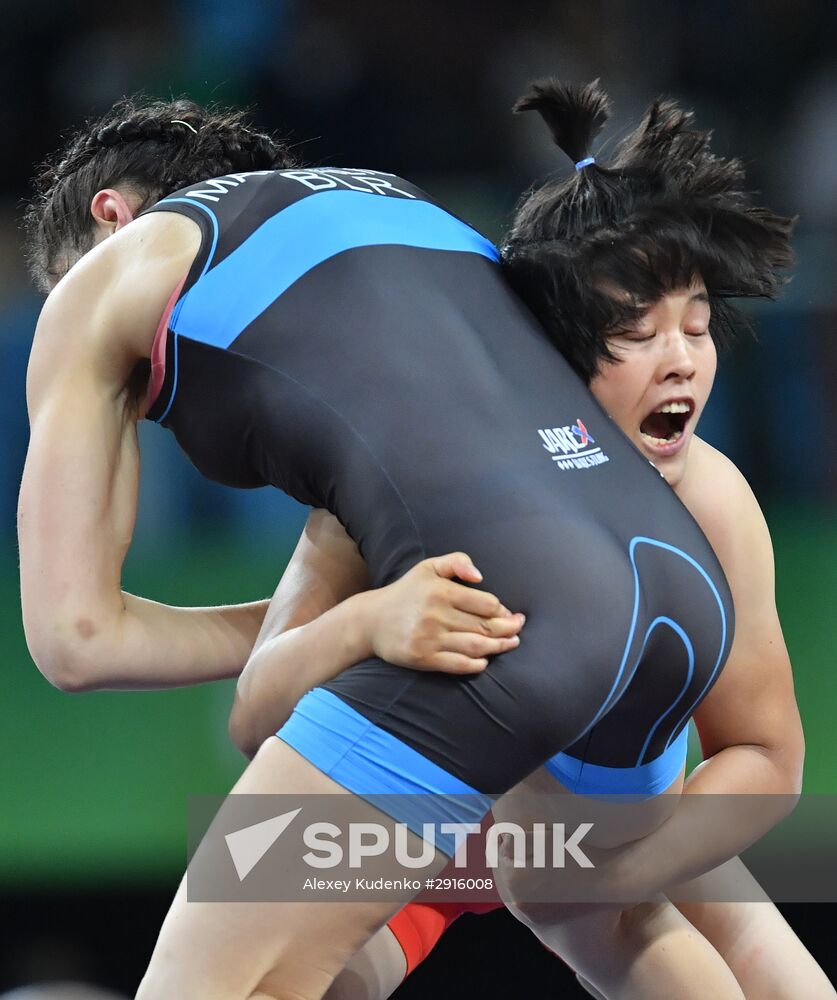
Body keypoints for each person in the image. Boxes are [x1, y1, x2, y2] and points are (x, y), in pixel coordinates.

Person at [17, 83, 802, 1000]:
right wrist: (364, 618)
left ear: (110, 217)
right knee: (608, 911)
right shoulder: (418, 218)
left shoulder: (117, 269)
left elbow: (74, 641)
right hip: (669, 570)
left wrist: (354, 621)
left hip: (505, 622)